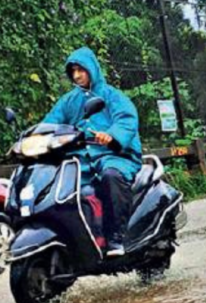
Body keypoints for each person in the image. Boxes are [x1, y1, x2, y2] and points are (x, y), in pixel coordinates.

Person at [43, 47, 142, 257]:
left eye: (81, 69)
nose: (77, 75)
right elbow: (50, 122)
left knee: (110, 176)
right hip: (81, 160)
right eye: (73, 71)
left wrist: (111, 135)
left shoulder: (112, 96)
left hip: (114, 156)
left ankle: (116, 238)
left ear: (92, 69)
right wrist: (33, 138)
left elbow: (126, 119)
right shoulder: (69, 100)